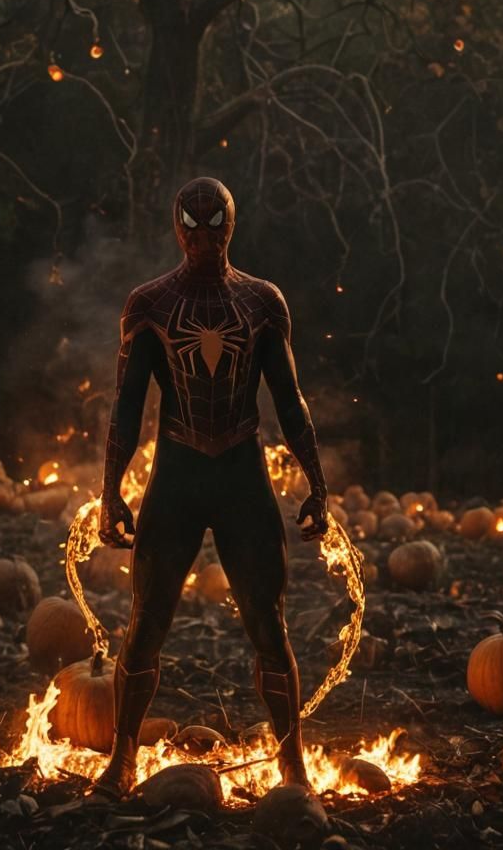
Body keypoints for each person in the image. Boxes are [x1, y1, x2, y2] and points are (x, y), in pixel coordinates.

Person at [93, 176, 329, 798]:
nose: (202, 237)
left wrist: (317, 483)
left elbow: (290, 399)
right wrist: (110, 491)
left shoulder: (262, 302)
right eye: (191, 225)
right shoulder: (149, 303)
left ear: (232, 224)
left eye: (214, 223)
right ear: (177, 227)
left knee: (268, 627)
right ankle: (120, 759)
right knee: (146, 622)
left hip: (241, 475)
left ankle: (293, 767)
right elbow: (126, 406)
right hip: (176, 473)